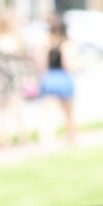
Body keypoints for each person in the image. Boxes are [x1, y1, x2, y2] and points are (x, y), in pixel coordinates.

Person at [0, 8, 32, 147]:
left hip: (15, 75)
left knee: (17, 105)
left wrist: (28, 75)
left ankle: (21, 134)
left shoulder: (18, 37)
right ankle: (4, 137)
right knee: (2, 107)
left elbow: (25, 59)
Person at [39, 12, 79, 146]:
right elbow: (68, 64)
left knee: (48, 113)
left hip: (49, 78)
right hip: (63, 78)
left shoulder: (46, 43)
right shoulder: (66, 43)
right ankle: (72, 139)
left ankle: (46, 141)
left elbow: (41, 64)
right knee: (69, 113)